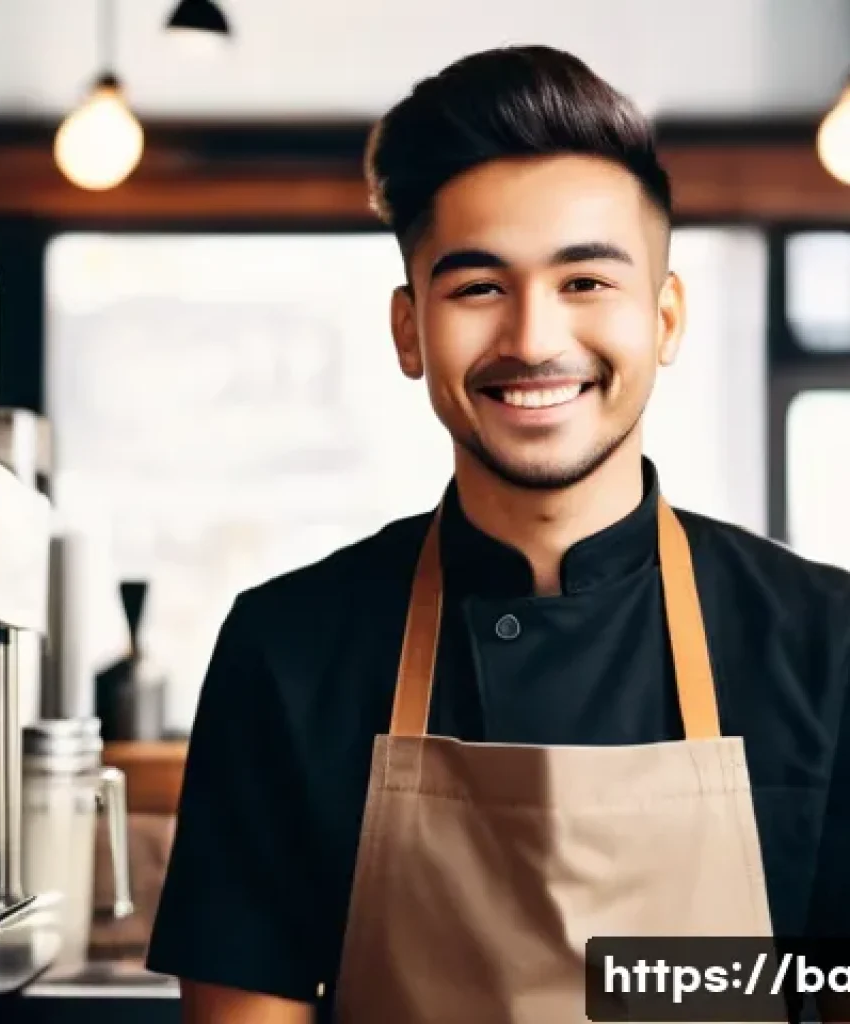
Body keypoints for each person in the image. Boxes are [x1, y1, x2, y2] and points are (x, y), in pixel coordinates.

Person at [145, 45, 850, 1023]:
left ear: (666, 317)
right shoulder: (287, 649)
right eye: (477, 287)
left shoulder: (825, 639)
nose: (531, 339)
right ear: (408, 329)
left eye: (585, 283)